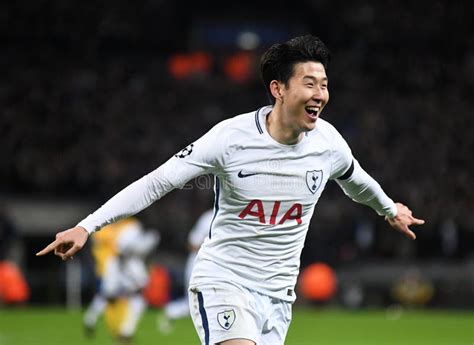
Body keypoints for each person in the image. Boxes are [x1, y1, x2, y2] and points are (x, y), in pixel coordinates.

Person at [37, 35, 425, 345]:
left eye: (324, 85)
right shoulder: (230, 139)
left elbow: (356, 180)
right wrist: (87, 226)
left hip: (278, 297)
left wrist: (389, 209)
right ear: (278, 88)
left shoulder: (328, 144)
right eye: (309, 83)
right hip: (224, 282)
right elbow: (158, 181)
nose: (320, 94)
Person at [83, 217, 159, 344]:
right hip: (119, 266)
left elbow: (143, 254)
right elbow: (122, 252)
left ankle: (124, 331)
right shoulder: (132, 229)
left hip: (127, 265)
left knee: (134, 298)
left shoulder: (148, 234)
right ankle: (92, 319)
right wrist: (131, 276)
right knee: (110, 297)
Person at [158, 208, 214, 333]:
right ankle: (170, 311)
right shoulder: (209, 217)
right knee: (193, 303)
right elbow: (192, 244)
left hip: (213, 266)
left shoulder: (233, 214)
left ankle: (171, 312)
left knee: (206, 303)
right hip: (198, 264)